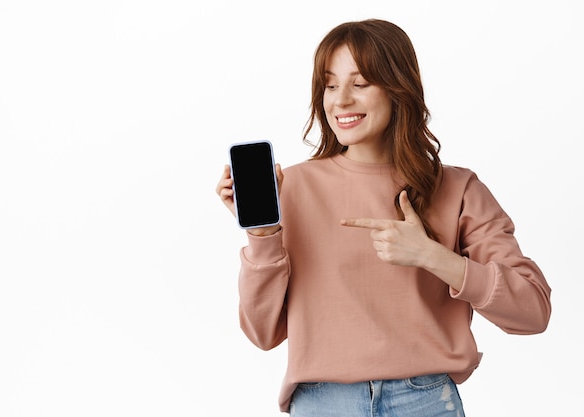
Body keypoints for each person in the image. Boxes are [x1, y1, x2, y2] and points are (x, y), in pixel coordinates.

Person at [216, 18, 551, 417]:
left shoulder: (458, 189)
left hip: (426, 401)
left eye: (360, 84)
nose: (340, 100)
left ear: (399, 89)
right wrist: (264, 236)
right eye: (330, 84)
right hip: (323, 403)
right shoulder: (292, 187)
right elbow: (261, 333)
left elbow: (532, 311)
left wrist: (433, 257)